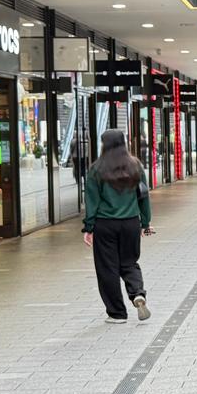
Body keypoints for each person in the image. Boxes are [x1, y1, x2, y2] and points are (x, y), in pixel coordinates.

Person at [83, 130, 153, 324]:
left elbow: (91, 201)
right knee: (129, 262)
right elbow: (144, 196)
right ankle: (137, 293)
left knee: (107, 268)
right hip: (130, 222)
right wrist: (145, 222)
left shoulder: (96, 169)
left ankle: (117, 313)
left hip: (105, 225)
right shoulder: (135, 166)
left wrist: (88, 228)